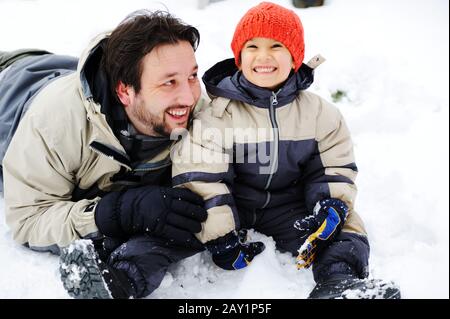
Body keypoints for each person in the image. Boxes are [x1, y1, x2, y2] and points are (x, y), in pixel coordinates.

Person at [172, 2, 401, 299]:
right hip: (235, 208)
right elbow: (202, 177)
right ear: (239, 57)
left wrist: (330, 204)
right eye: (252, 46)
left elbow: (334, 165)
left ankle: (338, 283)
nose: (264, 56)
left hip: (288, 209)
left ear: (295, 55)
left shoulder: (319, 113)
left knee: (347, 225)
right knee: (179, 222)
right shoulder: (218, 114)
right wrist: (221, 234)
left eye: (276, 45)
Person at [0, 10, 214, 299]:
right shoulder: (54, 124)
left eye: (192, 76)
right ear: (125, 92)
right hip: (10, 90)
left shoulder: (199, 113)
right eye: (169, 82)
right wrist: (112, 212)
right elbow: (29, 220)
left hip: (59, 67)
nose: (189, 96)